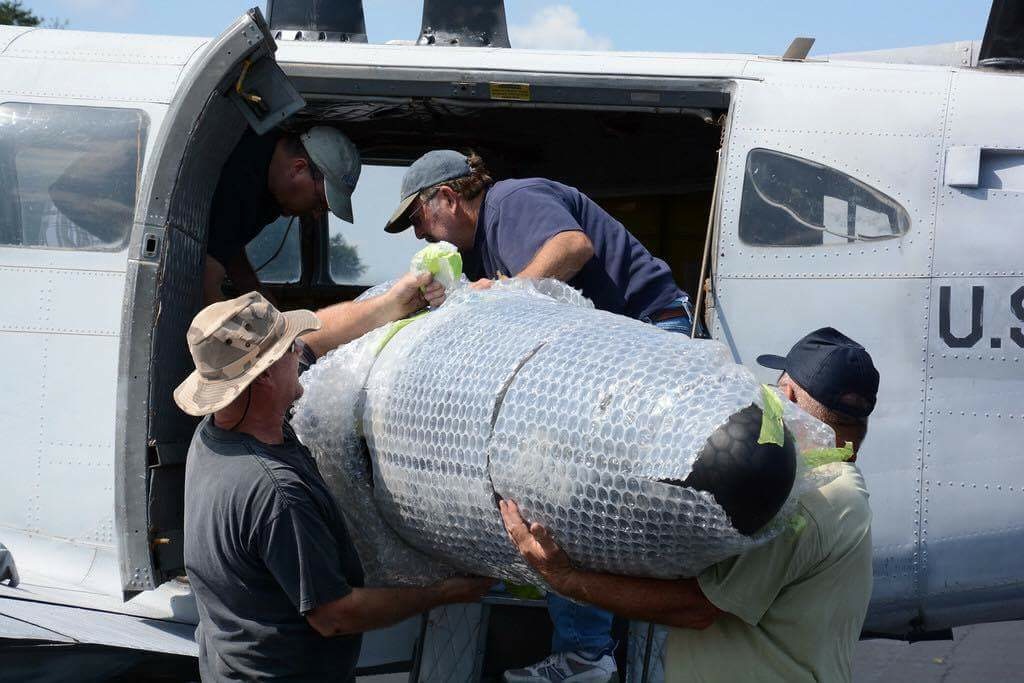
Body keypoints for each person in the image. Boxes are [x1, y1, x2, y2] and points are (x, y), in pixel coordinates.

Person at [384, 149, 697, 681]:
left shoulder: (511, 201)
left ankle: (587, 654)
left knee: (561, 487)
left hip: (651, 338)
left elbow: (572, 246)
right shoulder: (483, 246)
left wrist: (504, 294)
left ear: (448, 198)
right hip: (620, 352)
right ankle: (590, 645)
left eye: (418, 217)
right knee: (562, 486)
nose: (419, 234)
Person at [500, 327, 879, 683]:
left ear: (790, 397)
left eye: (775, 389)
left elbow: (697, 608)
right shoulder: (836, 486)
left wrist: (565, 578)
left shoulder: (810, 499)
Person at [174, 274, 492, 682]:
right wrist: (445, 593)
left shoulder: (219, 428)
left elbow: (316, 341)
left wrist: (394, 305)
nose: (300, 356)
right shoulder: (276, 494)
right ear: (266, 376)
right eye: (289, 351)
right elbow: (336, 616)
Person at [203, 126, 361, 304]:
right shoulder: (241, 173)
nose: (316, 215)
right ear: (298, 168)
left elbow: (225, 241)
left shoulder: (276, 188)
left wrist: (253, 287)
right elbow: (207, 283)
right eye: (318, 202)